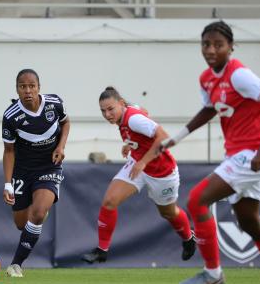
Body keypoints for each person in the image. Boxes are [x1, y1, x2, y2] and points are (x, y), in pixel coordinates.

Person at [160, 21, 260, 284]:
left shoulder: (239, 75)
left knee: (197, 200)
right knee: (248, 220)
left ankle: (213, 274)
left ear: (231, 47)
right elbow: (208, 110)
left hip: (253, 154)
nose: (211, 49)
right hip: (240, 154)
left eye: (218, 44)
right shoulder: (206, 78)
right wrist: (175, 139)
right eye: (206, 44)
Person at [81, 87, 196, 264]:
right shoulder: (127, 113)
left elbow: (164, 137)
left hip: (161, 171)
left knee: (168, 213)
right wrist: (131, 144)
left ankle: (188, 239)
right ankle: (101, 250)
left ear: (120, 104)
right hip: (137, 164)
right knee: (110, 201)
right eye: (103, 111)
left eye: (110, 109)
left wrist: (143, 161)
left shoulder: (133, 119)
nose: (107, 114)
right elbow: (144, 113)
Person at [2, 69, 70, 277]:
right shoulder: (11, 116)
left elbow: (66, 122)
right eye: (23, 87)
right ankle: (37, 209)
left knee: (38, 213)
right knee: (21, 223)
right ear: (17, 89)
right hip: (23, 170)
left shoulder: (54, 103)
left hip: (49, 166)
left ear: (39, 87)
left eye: (32, 86)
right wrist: (7, 184)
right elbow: (9, 151)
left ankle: (15, 264)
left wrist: (61, 147)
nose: (28, 90)